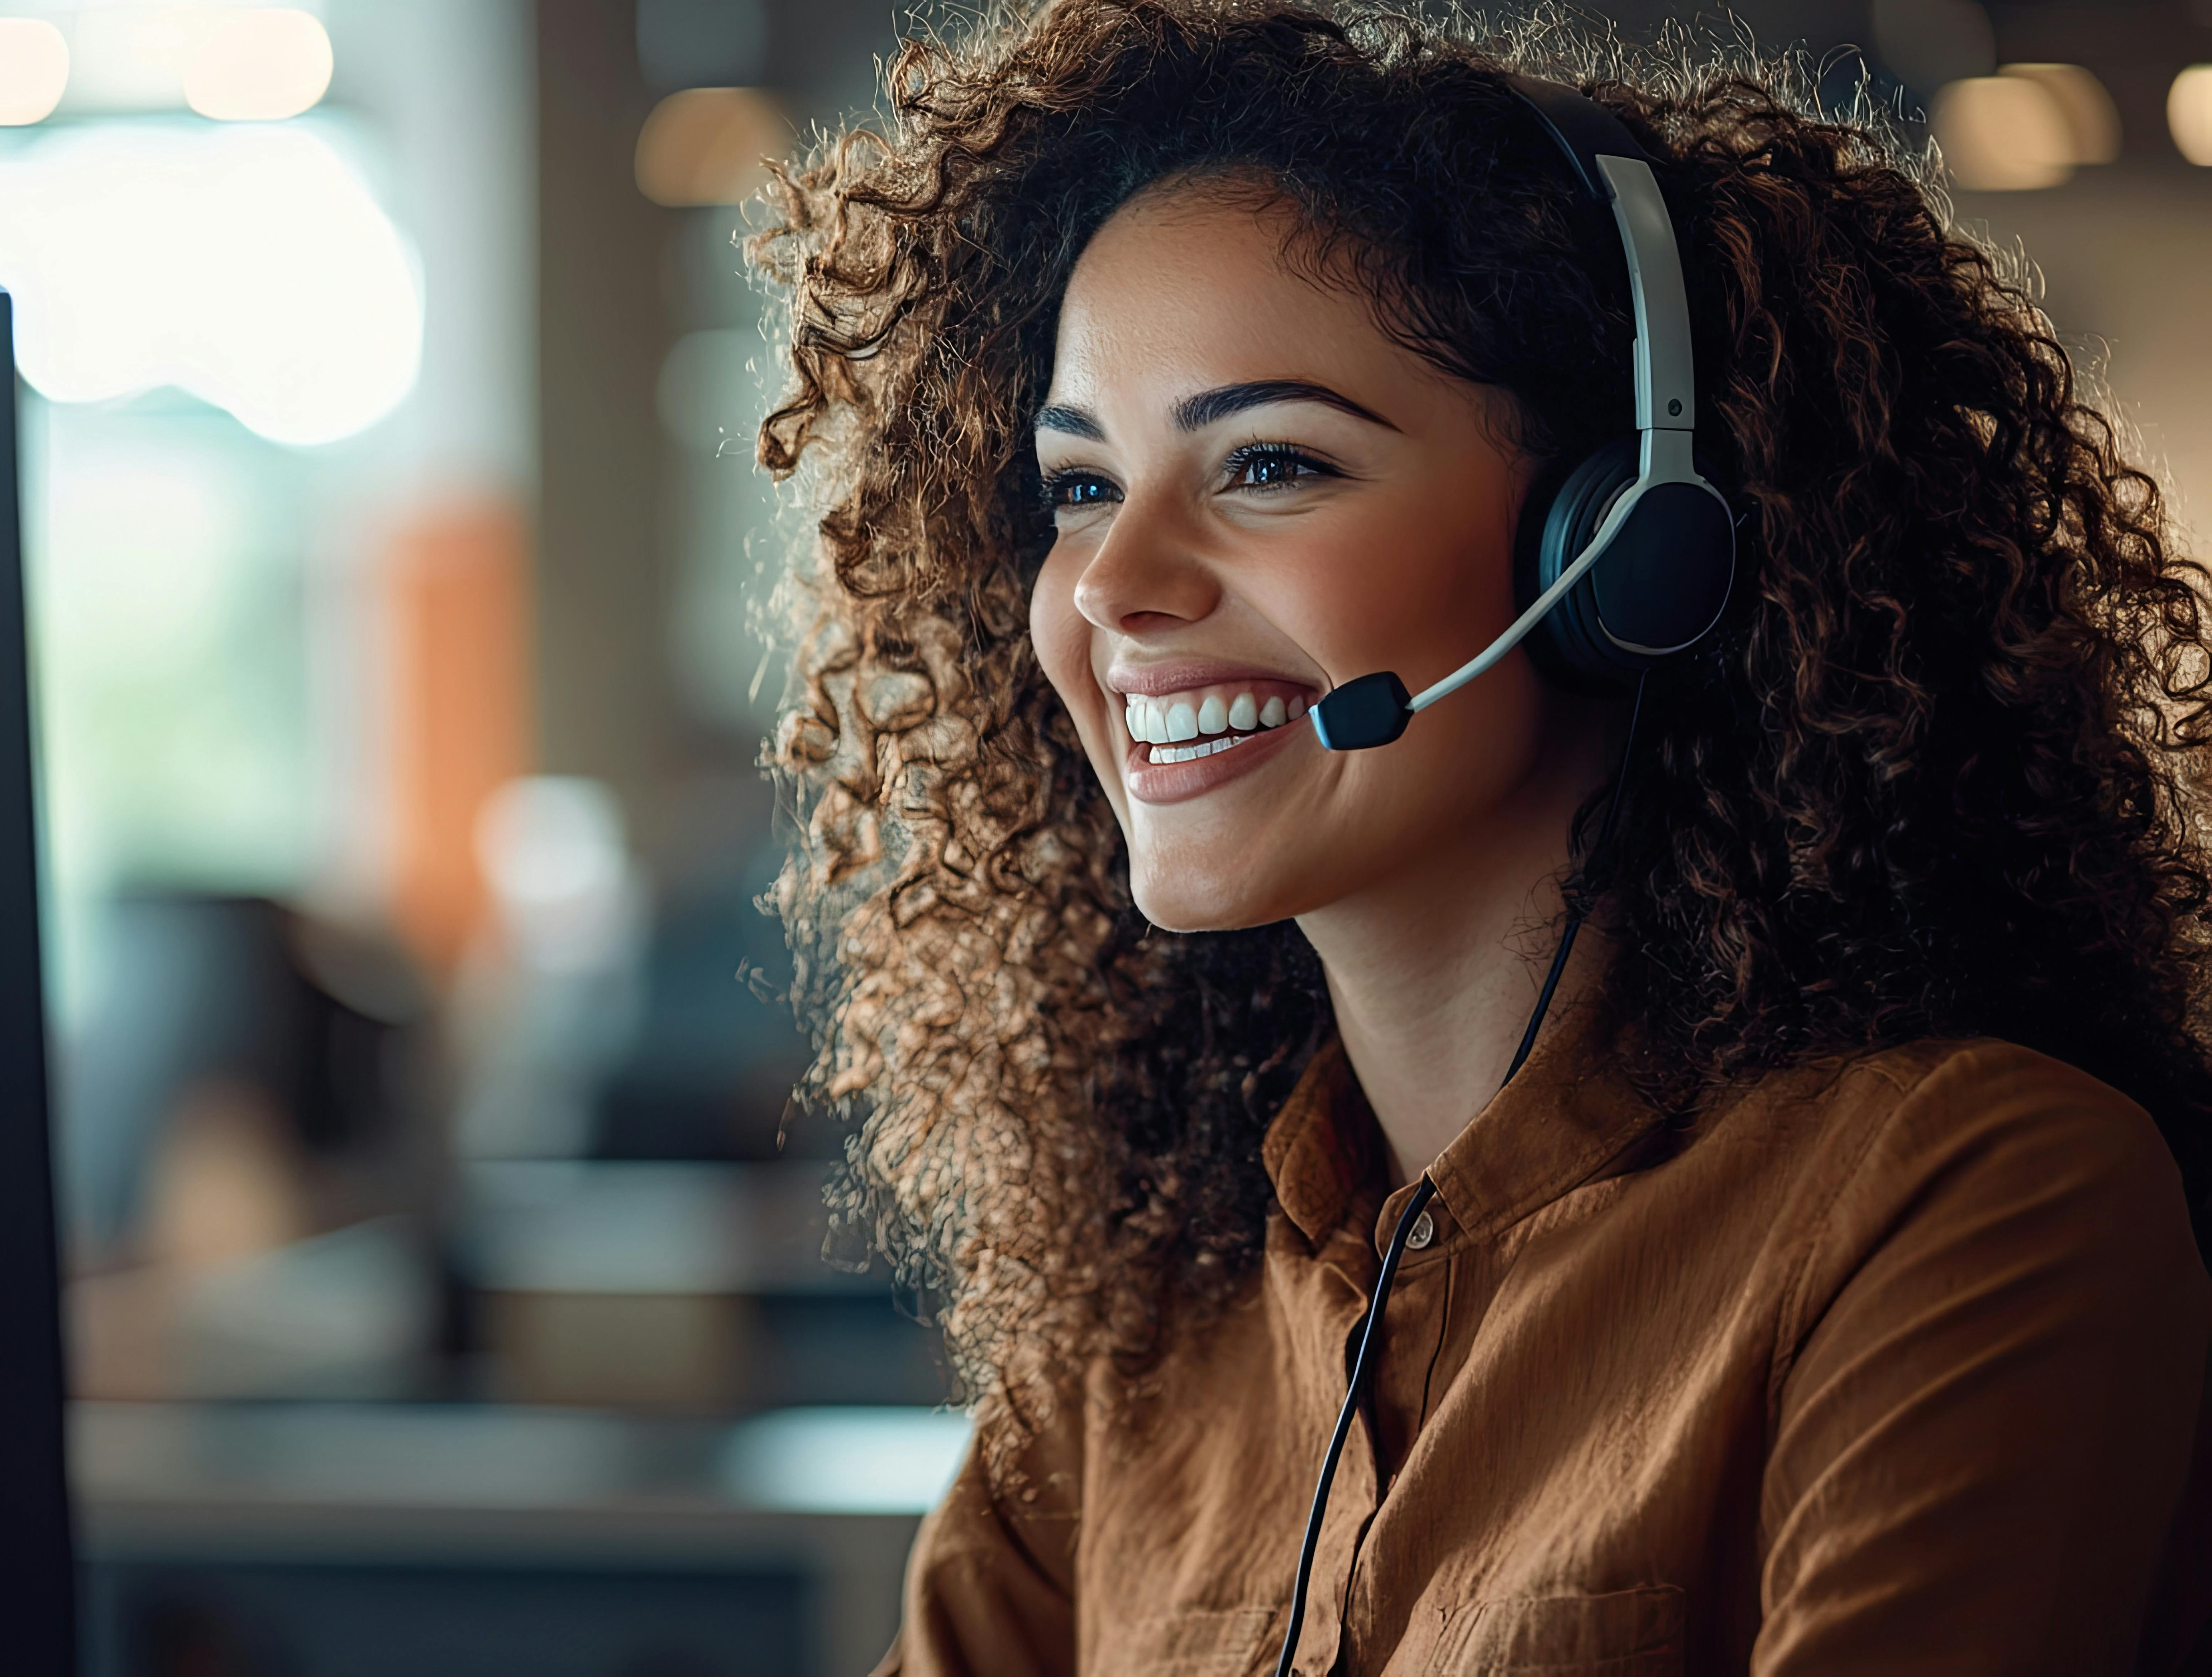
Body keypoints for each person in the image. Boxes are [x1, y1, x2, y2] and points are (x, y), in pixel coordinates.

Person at [747, 1, 2212, 1671]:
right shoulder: (1139, 1329)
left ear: (1631, 551)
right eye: (1079, 488)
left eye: (1270, 462)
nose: (1112, 587)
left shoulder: (1967, 1200)